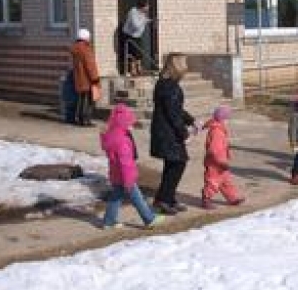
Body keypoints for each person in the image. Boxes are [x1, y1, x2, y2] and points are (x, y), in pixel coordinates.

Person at [99, 103, 165, 230]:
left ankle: (109, 221)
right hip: (125, 175)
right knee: (137, 197)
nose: (131, 126)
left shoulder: (112, 135)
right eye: (129, 123)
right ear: (122, 123)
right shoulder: (122, 140)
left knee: (116, 196)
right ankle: (149, 218)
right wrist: (129, 180)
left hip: (116, 172)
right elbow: (125, 163)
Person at [149, 52, 196, 215]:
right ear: (178, 66)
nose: (187, 67)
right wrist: (184, 133)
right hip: (168, 133)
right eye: (185, 63)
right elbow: (173, 114)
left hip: (164, 131)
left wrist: (191, 120)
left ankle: (167, 198)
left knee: (172, 165)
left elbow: (175, 109)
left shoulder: (165, 83)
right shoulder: (171, 87)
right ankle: (163, 200)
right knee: (178, 164)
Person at [201, 105, 245, 209]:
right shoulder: (217, 131)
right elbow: (214, 150)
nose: (228, 121)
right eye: (227, 118)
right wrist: (221, 162)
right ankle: (206, 198)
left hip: (221, 161)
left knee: (226, 181)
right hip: (215, 163)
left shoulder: (219, 129)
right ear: (222, 119)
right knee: (212, 181)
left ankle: (232, 198)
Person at [70, 28, 101, 126]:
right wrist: (95, 78)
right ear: (85, 38)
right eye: (88, 37)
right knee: (88, 100)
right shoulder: (85, 49)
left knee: (81, 99)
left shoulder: (75, 48)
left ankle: (79, 118)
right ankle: (86, 120)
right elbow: (90, 65)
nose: (89, 39)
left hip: (79, 78)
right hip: (88, 79)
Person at [121, 0, 153, 75]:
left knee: (139, 53)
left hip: (137, 36)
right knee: (133, 53)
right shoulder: (133, 12)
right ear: (142, 6)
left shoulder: (143, 13)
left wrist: (148, 20)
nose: (148, 7)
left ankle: (139, 69)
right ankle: (133, 70)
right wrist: (144, 20)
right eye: (147, 6)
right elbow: (136, 25)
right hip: (129, 35)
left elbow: (142, 22)